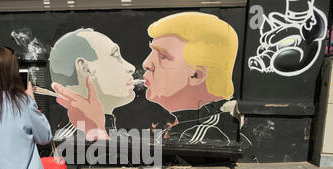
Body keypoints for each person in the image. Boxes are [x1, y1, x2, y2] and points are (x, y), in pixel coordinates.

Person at [142, 12, 241, 145]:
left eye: (163, 56)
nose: (146, 64)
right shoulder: (179, 124)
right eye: (151, 52)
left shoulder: (200, 135)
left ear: (197, 75)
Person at [49, 28, 136, 140]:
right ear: (85, 68)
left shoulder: (71, 140)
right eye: (116, 56)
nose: (131, 68)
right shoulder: (72, 143)